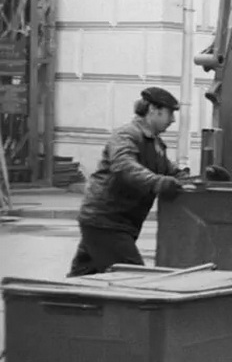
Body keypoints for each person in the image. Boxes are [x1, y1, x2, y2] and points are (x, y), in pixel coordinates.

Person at [68, 87, 188, 277]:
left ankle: (60, 306)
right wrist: (158, 182)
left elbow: (170, 171)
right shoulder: (127, 135)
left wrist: (197, 178)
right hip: (107, 222)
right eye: (169, 113)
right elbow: (124, 166)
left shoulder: (155, 143)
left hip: (115, 222)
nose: (173, 120)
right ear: (152, 110)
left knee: (84, 279)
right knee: (133, 278)